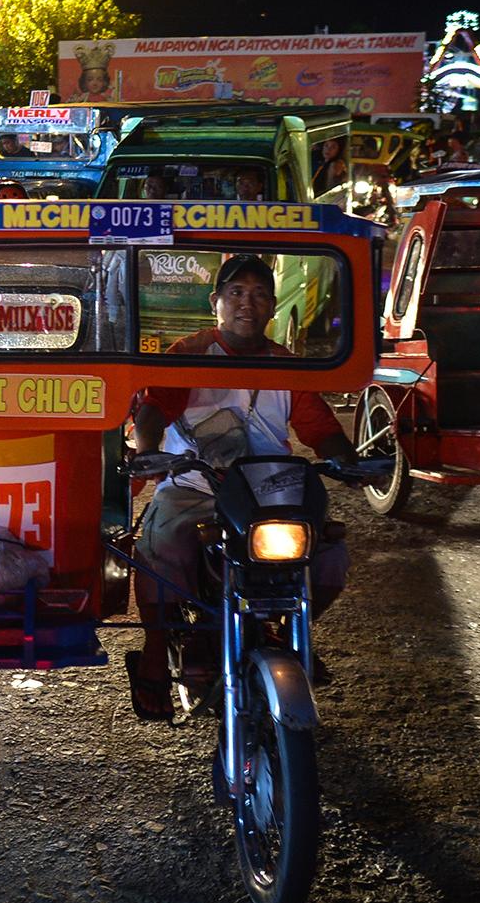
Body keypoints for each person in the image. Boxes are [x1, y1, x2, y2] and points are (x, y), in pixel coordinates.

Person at [126, 254, 356, 719]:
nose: (246, 304)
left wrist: (350, 460)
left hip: (268, 491)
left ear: (272, 306)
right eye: (236, 293)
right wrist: (146, 450)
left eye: (258, 294)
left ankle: (284, 631)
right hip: (196, 484)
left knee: (330, 556)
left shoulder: (287, 364)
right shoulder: (189, 353)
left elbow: (318, 426)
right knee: (161, 548)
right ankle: (155, 653)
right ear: (216, 303)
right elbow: (154, 409)